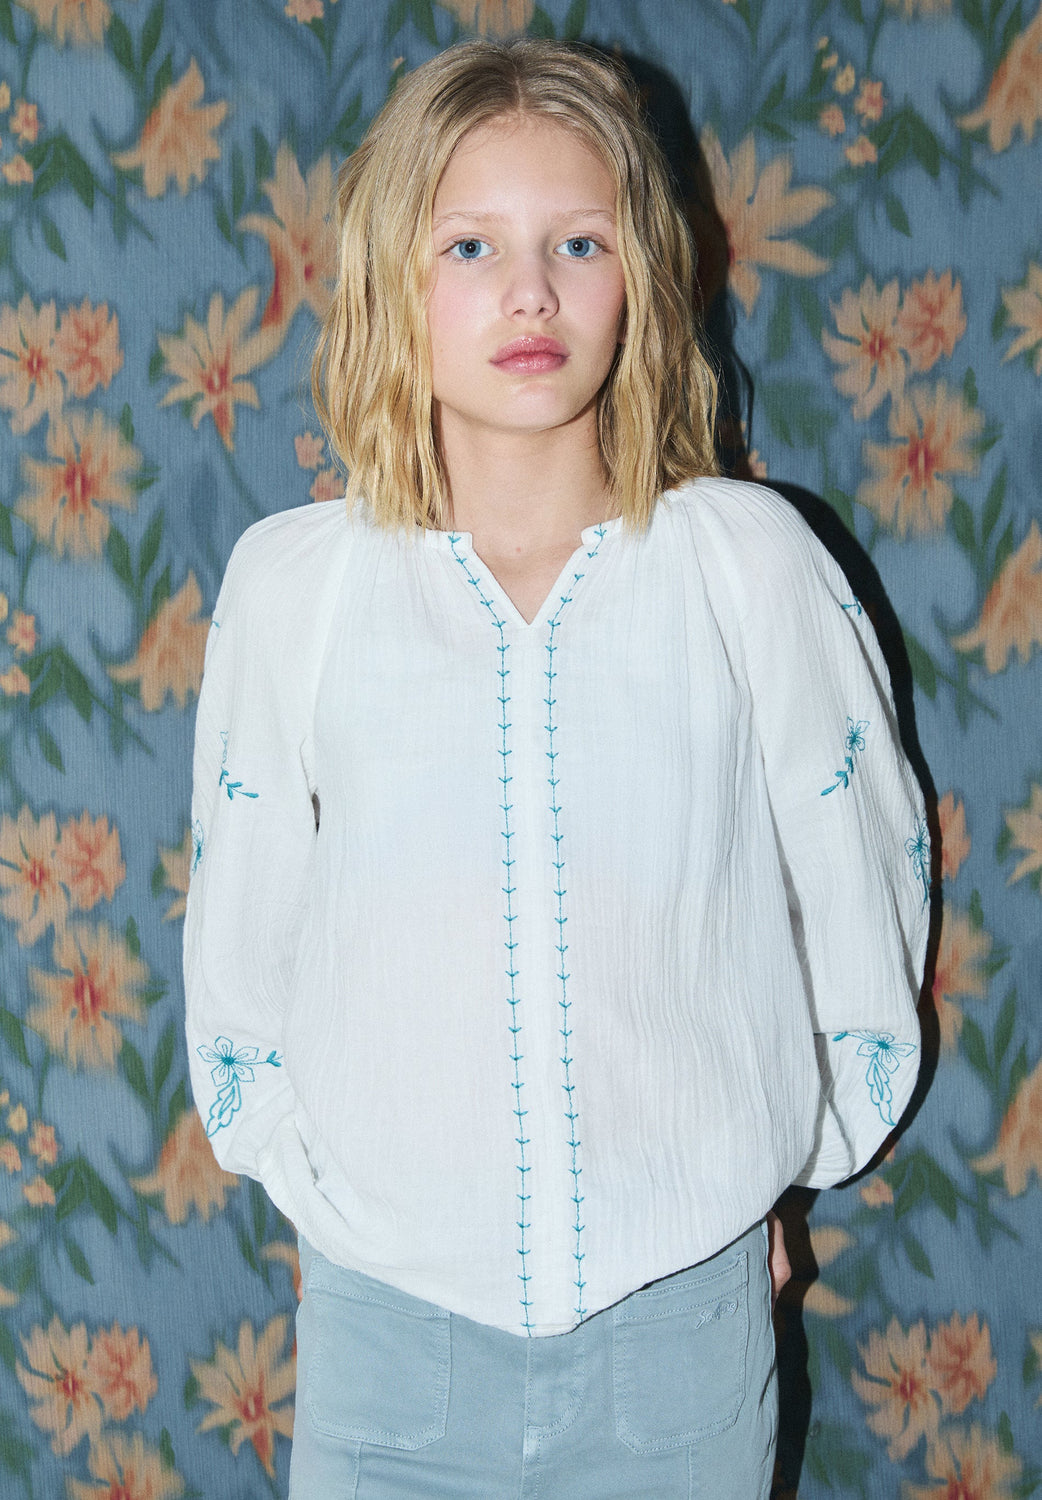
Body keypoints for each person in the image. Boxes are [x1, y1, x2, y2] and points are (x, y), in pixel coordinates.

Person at [184, 38, 929, 1499]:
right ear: (397, 284)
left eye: (576, 243)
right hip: (388, 1349)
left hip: (680, 1345)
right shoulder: (296, 589)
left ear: (638, 276)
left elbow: (861, 875)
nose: (529, 293)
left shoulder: (746, 567)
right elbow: (244, 928)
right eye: (472, 245)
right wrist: (328, 1192)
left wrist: (779, 1168)